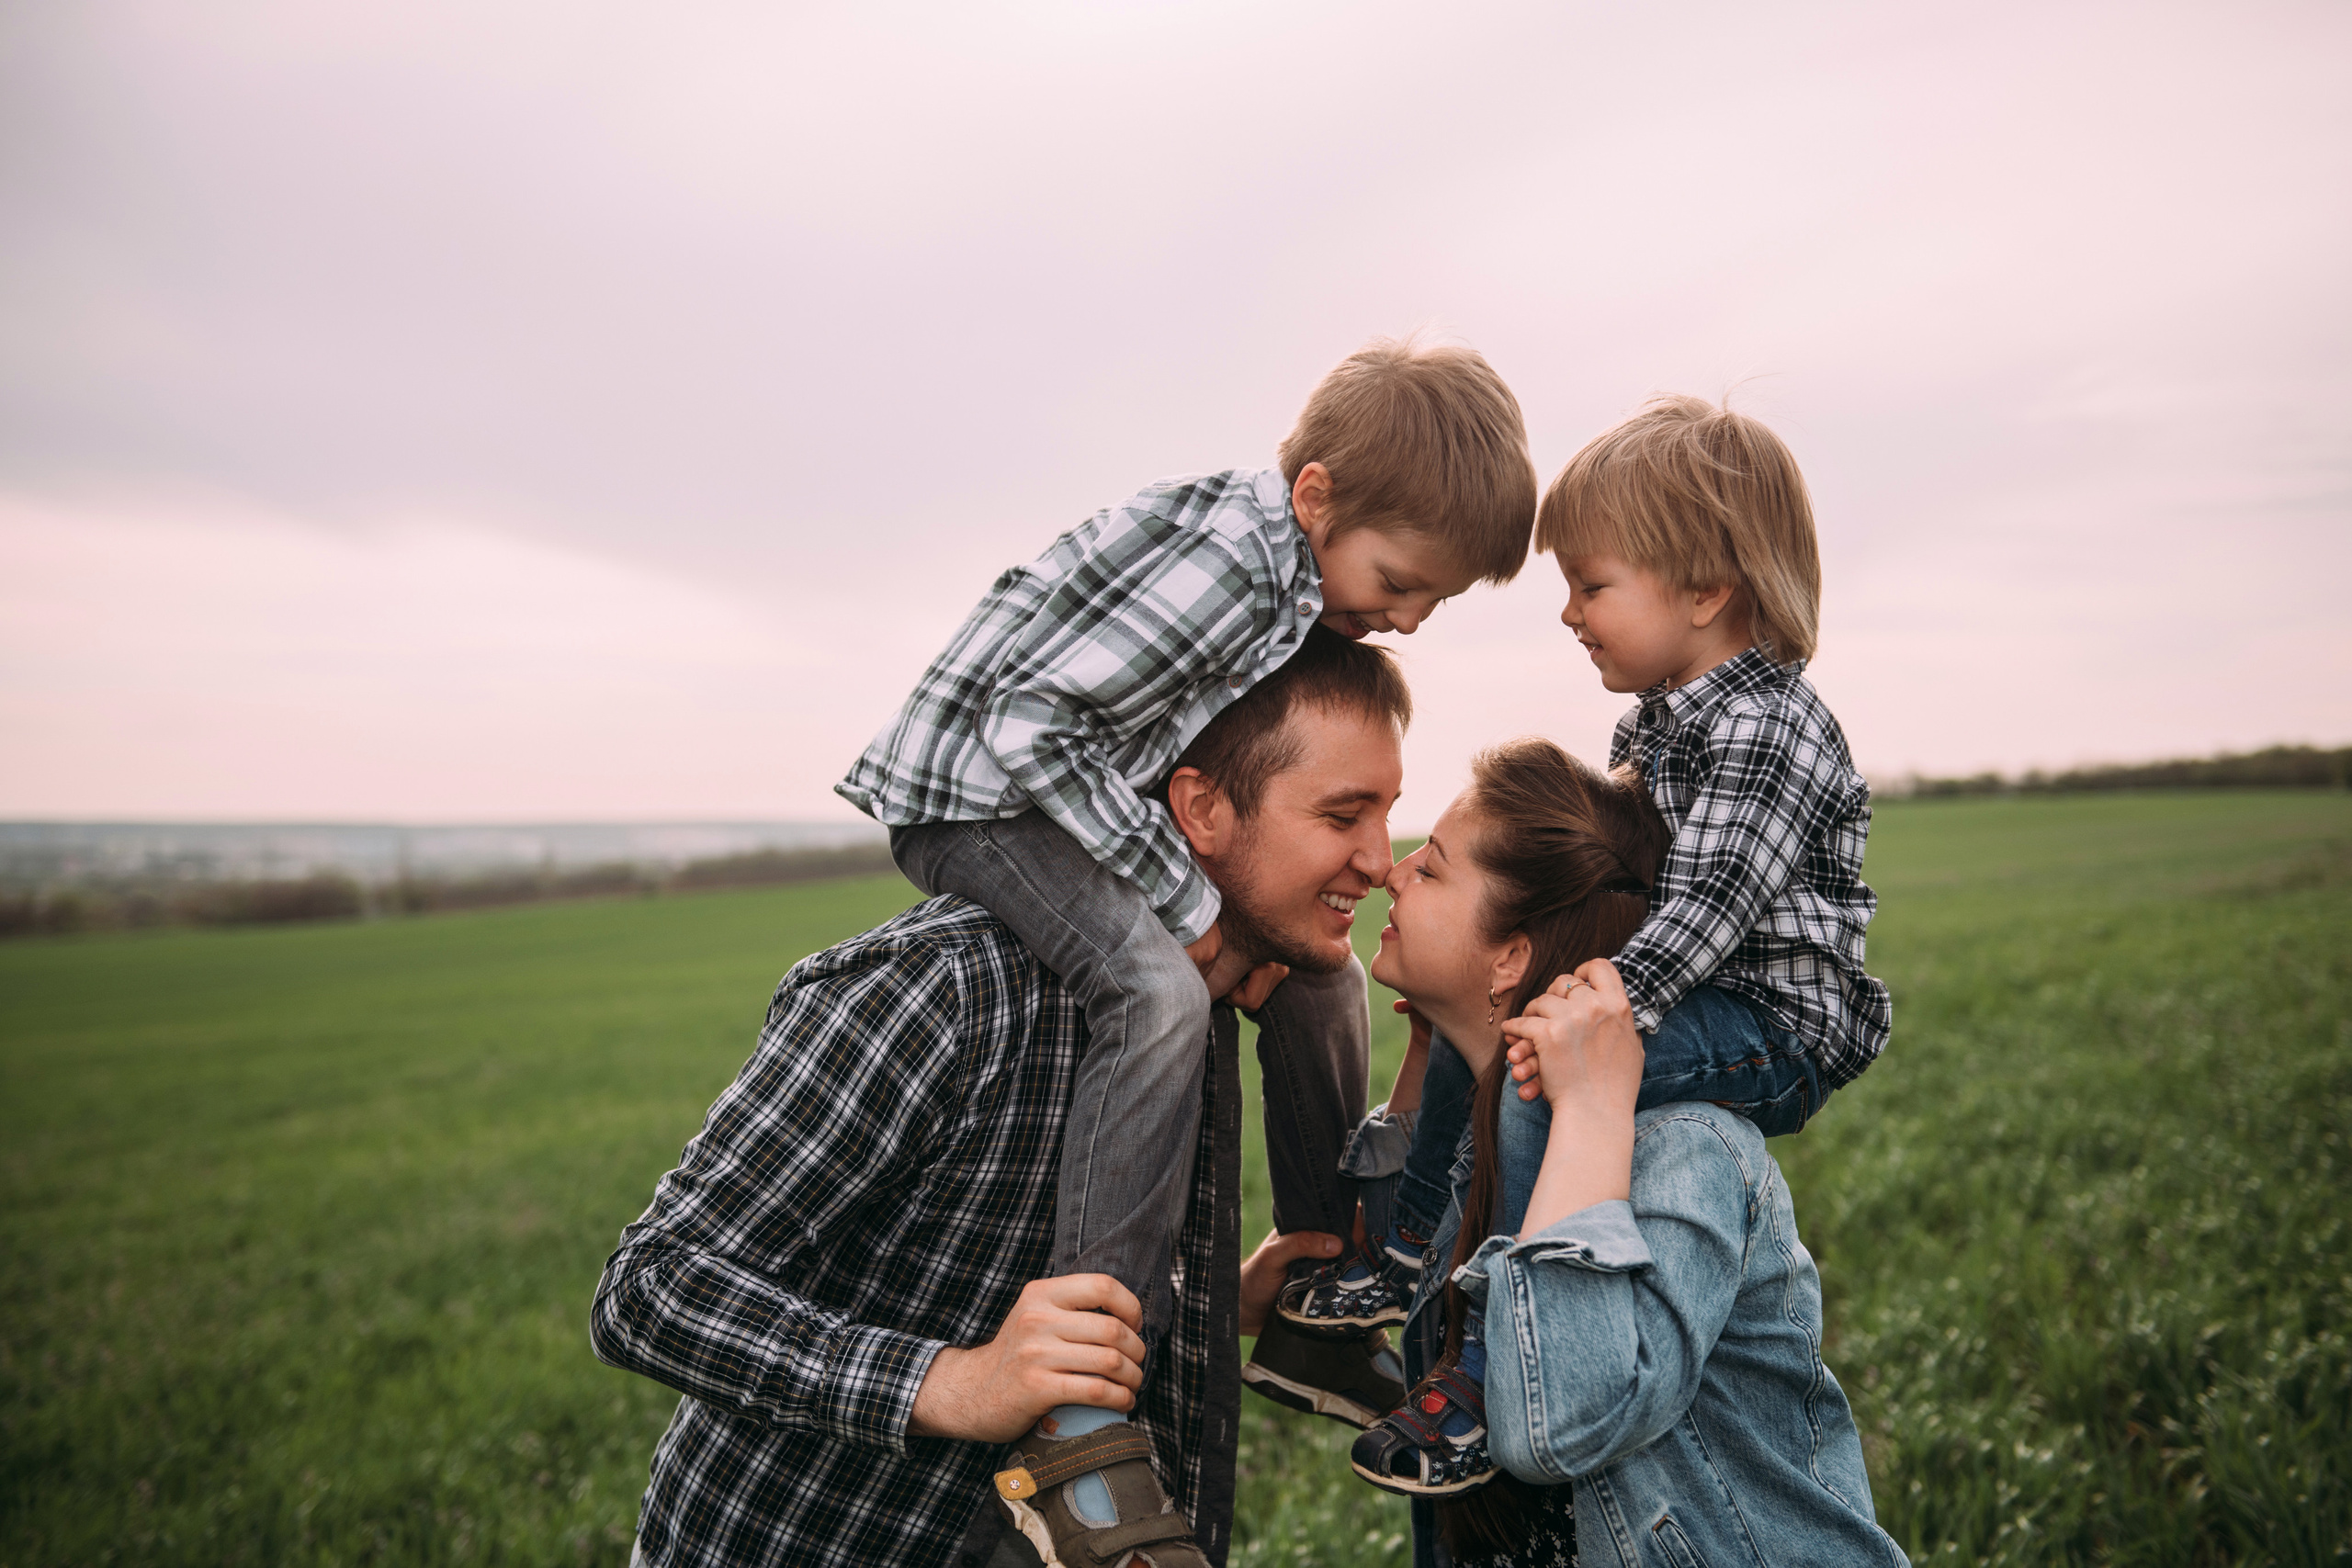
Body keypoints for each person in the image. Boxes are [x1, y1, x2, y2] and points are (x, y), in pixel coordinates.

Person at [835, 336, 1539, 1505]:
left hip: (1059, 796)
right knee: (1157, 991)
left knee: (1320, 979)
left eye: (1435, 600)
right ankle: (1081, 1395)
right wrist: (1189, 903)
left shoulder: (1289, 576)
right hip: (974, 802)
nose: (1409, 617)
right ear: (1315, 497)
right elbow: (1031, 728)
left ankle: (1323, 1294)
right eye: (1399, 580)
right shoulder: (1229, 565)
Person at [591, 627, 1410, 1568]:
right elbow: (648, 1288)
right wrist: (951, 1383)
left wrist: (1217, 1302)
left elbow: (1016, 1284)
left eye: (1389, 812)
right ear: (1201, 809)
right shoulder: (942, 988)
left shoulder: (1221, 1007)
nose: (1381, 860)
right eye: (1343, 815)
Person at [1294, 396, 1892, 1499]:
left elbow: (1708, 904)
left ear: (1705, 590)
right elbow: (1622, 875)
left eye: (1592, 585)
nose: (1568, 612)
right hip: (1696, 988)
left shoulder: (1766, 727)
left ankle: (1489, 1363)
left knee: (1538, 1075)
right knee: (1495, 1050)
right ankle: (1403, 1256)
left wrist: (1591, 1007)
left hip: (1772, 1023)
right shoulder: (1656, 724)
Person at [1341, 739, 1903, 1565]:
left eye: (1431, 868)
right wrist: (1433, 1046)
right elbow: (1367, 1251)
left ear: (1511, 955)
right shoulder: (1468, 1145)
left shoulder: (1682, 1151)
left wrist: (1592, 1106)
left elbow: (1557, 1425)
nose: (1394, 873)